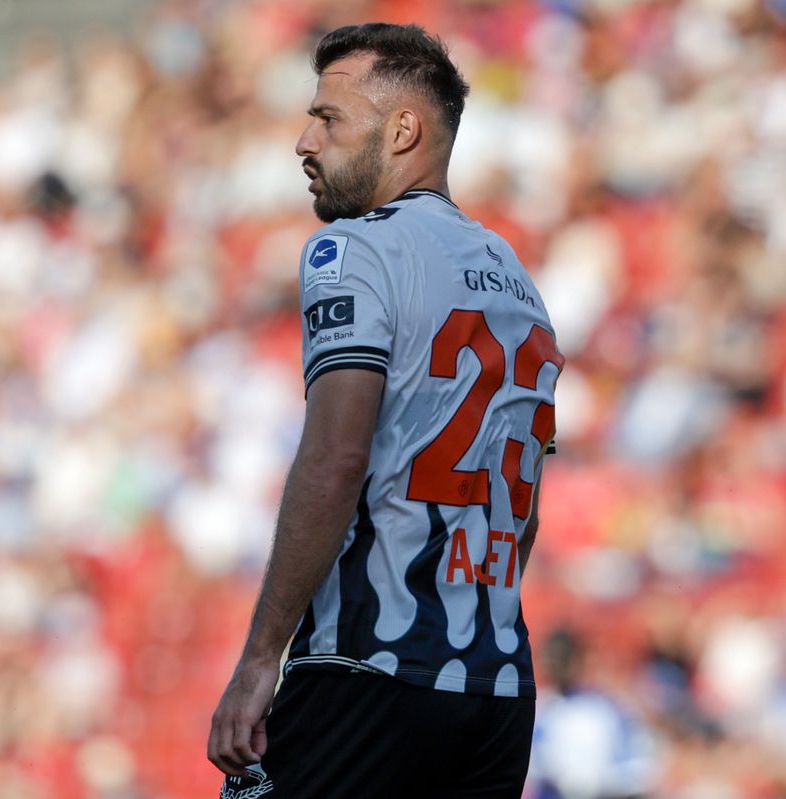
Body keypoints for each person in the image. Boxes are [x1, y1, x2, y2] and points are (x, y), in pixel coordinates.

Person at [207, 23, 564, 798]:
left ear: (404, 129)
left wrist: (261, 656)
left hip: (367, 667)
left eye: (329, 117)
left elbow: (337, 457)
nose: (304, 140)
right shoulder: (522, 287)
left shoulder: (354, 250)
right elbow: (523, 507)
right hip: (496, 688)